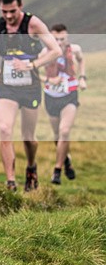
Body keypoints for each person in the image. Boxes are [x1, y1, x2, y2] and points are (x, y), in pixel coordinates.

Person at [0, 0, 60, 191]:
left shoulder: (33, 24)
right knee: (4, 129)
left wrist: (33, 64)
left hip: (30, 87)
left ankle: (31, 166)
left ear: (21, 6)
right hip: (6, 87)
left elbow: (56, 51)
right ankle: (10, 182)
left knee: (28, 137)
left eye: (13, 11)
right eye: (4, 11)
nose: (8, 16)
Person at [40, 24, 87, 185]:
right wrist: (48, 80)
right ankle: (67, 161)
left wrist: (82, 78)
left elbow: (81, 61)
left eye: (62, 39)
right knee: (57, 135)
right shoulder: (45, 53)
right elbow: (33, 71)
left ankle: (57, 171)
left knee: (64, 131)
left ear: (67, 37)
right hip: (51, 96)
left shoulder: (75, 49)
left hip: (70, 95)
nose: (59, 42)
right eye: (55, 39)